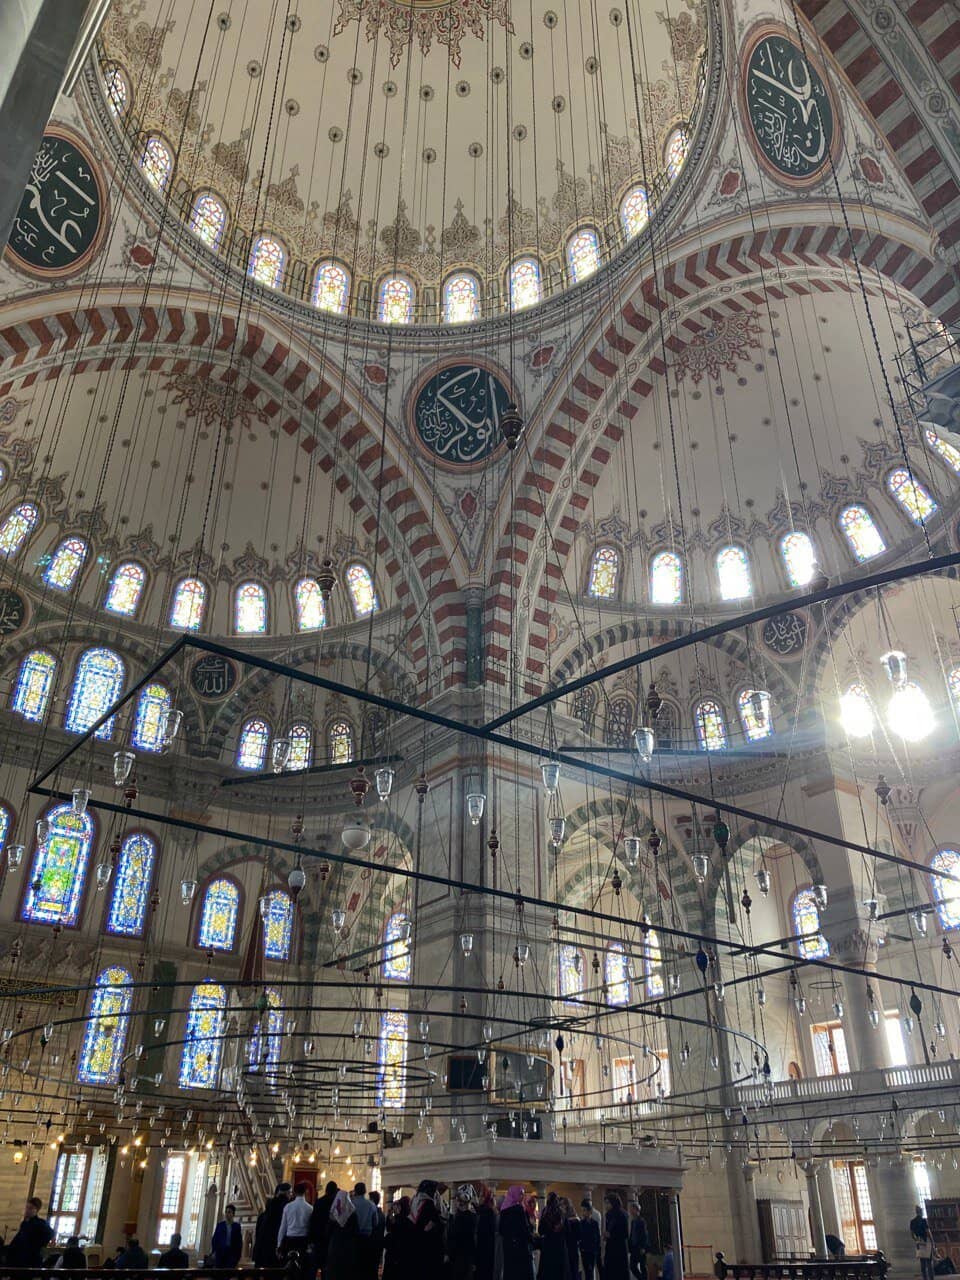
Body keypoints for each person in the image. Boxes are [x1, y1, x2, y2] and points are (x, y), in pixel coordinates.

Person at [410, 1180, 447, 1277]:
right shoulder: (429, 1204)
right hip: (430, 1249)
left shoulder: (415, 1204)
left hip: (417, 1247)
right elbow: (438, 1223)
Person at [7, 1198, 55, 1271]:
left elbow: (51, 1233)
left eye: (30, 1208)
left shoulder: (40, 1223)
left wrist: (39, 1244)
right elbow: (18, 1239)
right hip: (19, 1259)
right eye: (27, 1207)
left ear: (36, 1210)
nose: (27, 1210)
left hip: (31, 1260)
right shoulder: (24, 1223)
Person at [500, 1186, 535, 1280]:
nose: (522, 1196)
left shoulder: (503, 1210)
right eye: (521, 1194)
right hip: (520, 1249)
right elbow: (525, 1229)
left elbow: (501, 1230)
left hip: (508, 1248)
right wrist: (534, 1241)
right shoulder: (519, 1210)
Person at [254, 1185, 291, 1268]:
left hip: (262, 1252)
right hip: (276, 1251)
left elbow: (257, 1235)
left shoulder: (263, 1215)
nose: (291, 1195)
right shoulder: (285, 1209)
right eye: (290, 1193)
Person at [448, 1184, 479, 1280]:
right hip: (463, 1256)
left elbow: (454, 1236)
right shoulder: (471, 1217)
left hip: (462, 1256)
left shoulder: (461, 1217)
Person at [326, 1190, 358, 1280]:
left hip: (335, 1246)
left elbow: (328, 1231)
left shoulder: (333, 1213)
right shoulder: (352, 1212)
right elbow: (356, 1231)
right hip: (348, 1247)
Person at [537, 1193, 570, 1280]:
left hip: (548, 1247)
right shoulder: (562, 1213)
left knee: (548, 1273)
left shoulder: (545, 1212)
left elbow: (540, 1231)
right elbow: (568, 1230)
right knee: (560, 1273)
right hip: (560, 1247)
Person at [309, 1181, 338, 1274]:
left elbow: (313, 1221)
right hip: (330, 1240)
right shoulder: (336, 1204)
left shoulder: (319, 1202)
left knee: (314, 1267)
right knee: (327, 1269)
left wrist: (311, 1239)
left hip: (318, 1238)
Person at [278, 1184, 313, 1258]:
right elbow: (311, 1227)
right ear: (305, 1192)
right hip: (303, 1241)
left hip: (289, 1240)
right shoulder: (310, 1208)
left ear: (294, 1192)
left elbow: (283, 1227)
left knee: (289, 1266)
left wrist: (279, 1244)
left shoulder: (288, 1207)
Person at [382, 1197, 413, 1280]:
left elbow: (390, 1229)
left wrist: (391, 1214)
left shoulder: (397, 1219)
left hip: (393, 1255)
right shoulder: (409, 1221)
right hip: (403, 1256)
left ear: (400, 1207)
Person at [603, 1194, 629, 1280]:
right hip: (610, 1248)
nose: (606, 1205)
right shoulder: (608, 1215)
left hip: (619, 1248)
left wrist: (612, 1235)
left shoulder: (622, 1215)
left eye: (608, 1203)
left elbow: (625, 1233)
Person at [212, 1205, 243, 1270]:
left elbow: (239, 1242)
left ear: (233, 1214)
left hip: (231, 1255)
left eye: (229, 1212)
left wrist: (237, 1256)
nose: (227, 1214)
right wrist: (214, 1251)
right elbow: (215, 1239)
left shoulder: (236, 1227)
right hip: (220, 1254)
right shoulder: (220, 1225)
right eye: (226, 1212)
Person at [476, 1186, 497, 1280]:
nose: (479, 1198)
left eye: (481, 1196)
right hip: (480, 1246)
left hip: (486, 1247)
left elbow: (491, 1230)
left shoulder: (489, 1212)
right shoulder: (479, 1210)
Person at [578, 1202, 601, 1280]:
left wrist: (597, 1249)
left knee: (591, 1270)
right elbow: (580, 1236)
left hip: (592, 1250)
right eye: (582, 1210)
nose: (583, 1212)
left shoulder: (594, 1223)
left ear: (589, 1211)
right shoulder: (581, 1223)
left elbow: (597, 1237)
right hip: (584, 1250)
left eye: (584, 1210)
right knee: (587, 1271)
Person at [912, 1205, 935, 1280]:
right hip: (926, 1242)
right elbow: (928, 1232)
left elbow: (912, 1235)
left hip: (919, 1243)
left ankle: (925, 1278)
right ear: (921, 1212)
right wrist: (933, 1242)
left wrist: (917, 1240)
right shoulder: (923, 1220)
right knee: (929, 1264)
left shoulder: (912, 1222)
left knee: (922, 1264)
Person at [560, 1199, 580, 1280]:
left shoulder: (574, 1220)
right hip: (567, 1248)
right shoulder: (566, 1219)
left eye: (562, 1205)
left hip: (571, 1248)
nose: (561, 1207)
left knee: (572, 1271)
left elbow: (578, 1235)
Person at [628, 1202, 648, 1280]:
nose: (631, 1211)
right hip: (634, 1247)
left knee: (643, 1266)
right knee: (632, 1266)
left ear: (636, 1210)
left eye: (632, 1209)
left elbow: (644, 1234)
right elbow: (632, 1234)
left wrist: (643, 1247)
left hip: (640, 1247)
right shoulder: (633, 1222)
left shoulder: (641, 1221)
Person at [369, 1191, 386, 1279]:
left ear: (372, 1200)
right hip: (378, 1245)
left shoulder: (374, 1213)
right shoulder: (382, 1214)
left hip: (372, 1244)